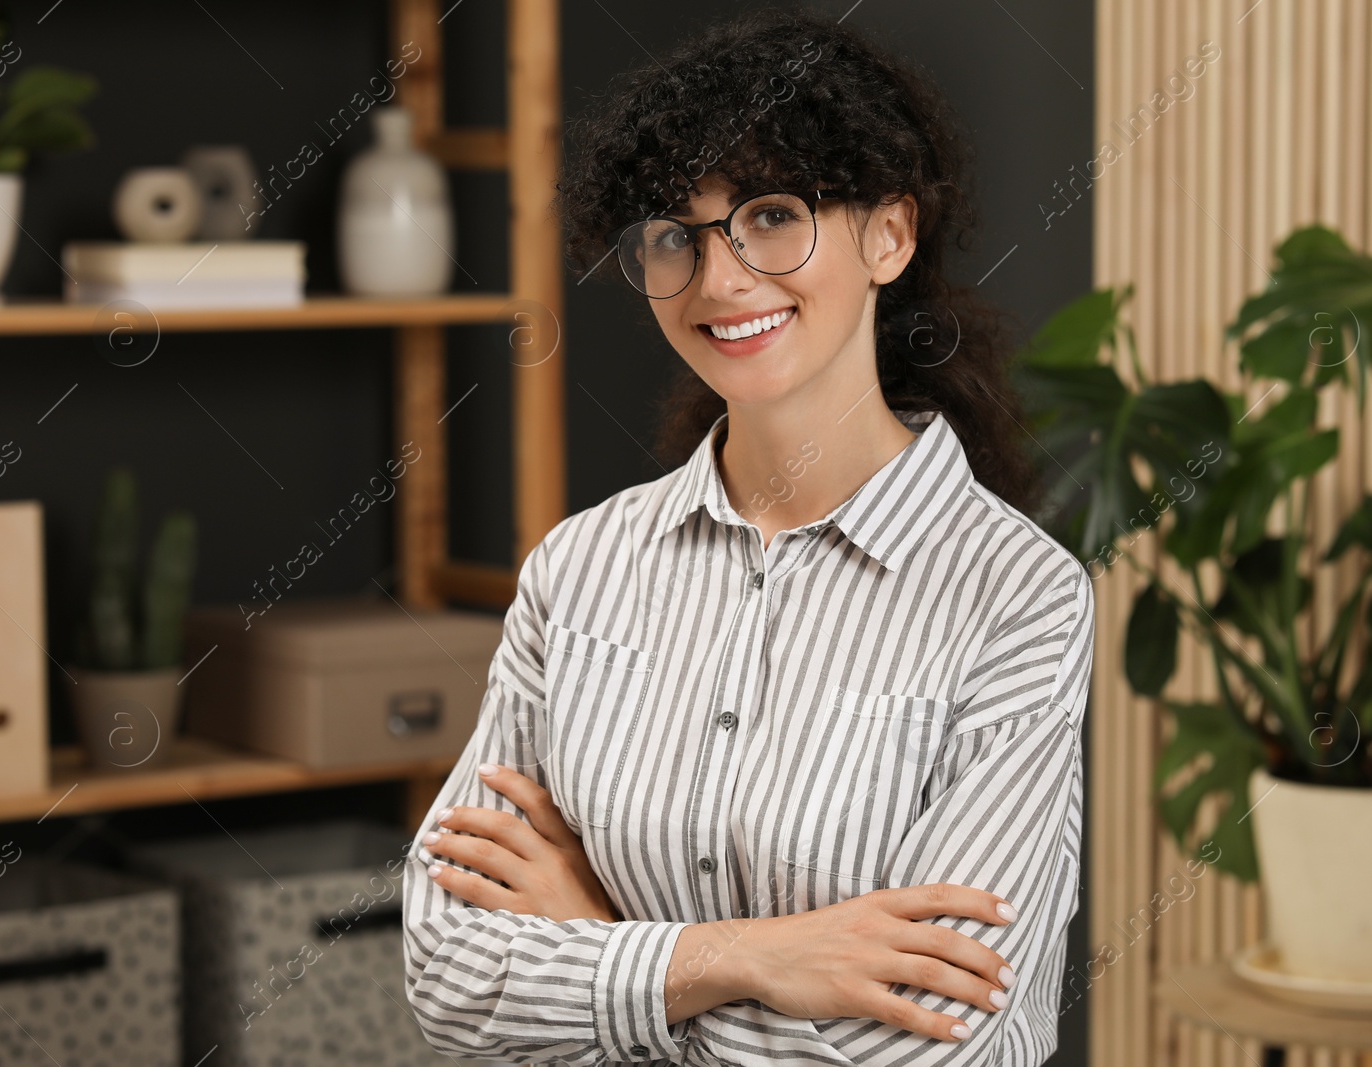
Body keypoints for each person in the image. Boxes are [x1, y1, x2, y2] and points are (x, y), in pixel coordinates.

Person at [403, 7, 1095, 1065]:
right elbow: (447, 974)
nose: (720, 279)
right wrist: (752, 957)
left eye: (772, 215)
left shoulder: (1017, 598)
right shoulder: (579, 568)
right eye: (677, 234)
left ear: (889, 235)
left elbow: (938, 1047)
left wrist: (600, 944)